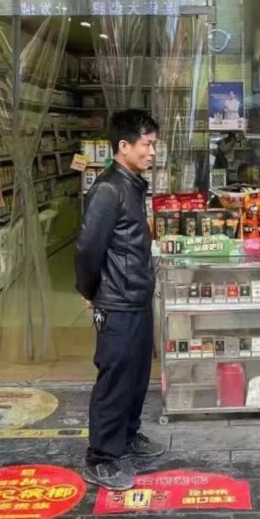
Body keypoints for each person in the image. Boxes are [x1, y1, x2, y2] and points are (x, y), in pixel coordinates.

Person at [75, 109, 164, 491]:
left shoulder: (132, 185)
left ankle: (127, 436)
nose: (152, 152)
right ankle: (101, 456)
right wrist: (91, 292)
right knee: (115, 379)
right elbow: (87, 249)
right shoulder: (109, 189)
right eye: (147, 144)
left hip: (136, 297)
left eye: (154, 145)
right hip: (117, 302)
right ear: (123, 146)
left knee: (137, 376)